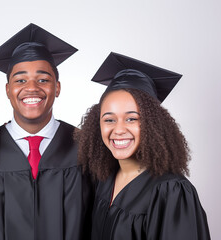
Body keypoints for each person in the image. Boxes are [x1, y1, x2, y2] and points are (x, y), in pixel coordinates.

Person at [0, 23, 93, 240]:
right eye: (20, 80)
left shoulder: (87, 146)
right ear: (8, 90)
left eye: (43, 79)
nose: (32, 87)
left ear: (58, 87)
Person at [75, 52, 210, 239]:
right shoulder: (104, 179)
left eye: (131, 118)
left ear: (152, 123)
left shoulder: (171, 191)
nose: (119, 129)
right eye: (109, 119)